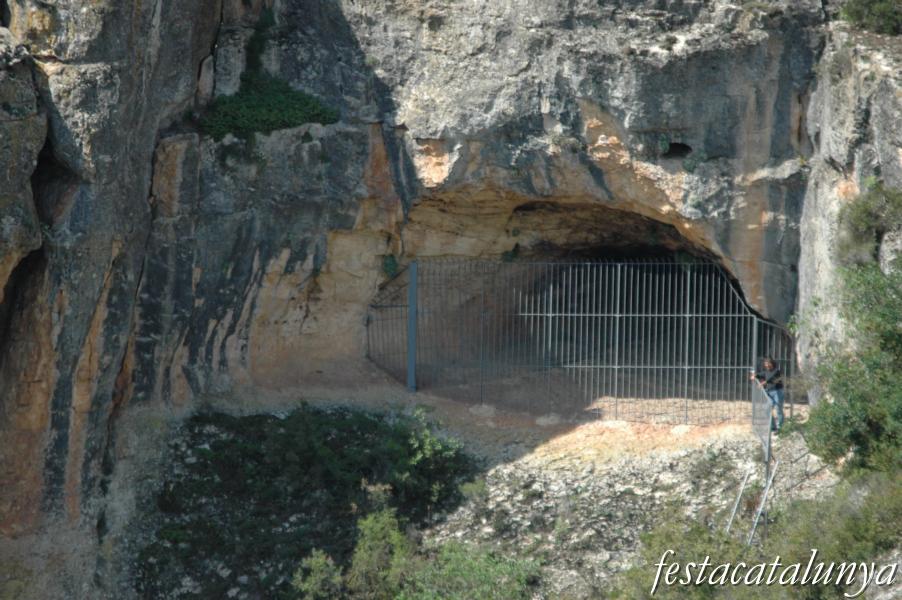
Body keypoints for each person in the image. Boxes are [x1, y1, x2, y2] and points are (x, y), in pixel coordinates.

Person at [750, 356, 784, 431]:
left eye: (768, 363)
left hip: (778, 392)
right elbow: (759, 375)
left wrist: (763, 383)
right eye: (766, 364)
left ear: (772, 363)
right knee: (767, 409)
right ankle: (773, 427)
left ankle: (781, 428)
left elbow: (772, 378)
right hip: (769, 392)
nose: (767, 365)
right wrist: (754, 376)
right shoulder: (766, 372)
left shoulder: (777, 371)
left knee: (778, 409)